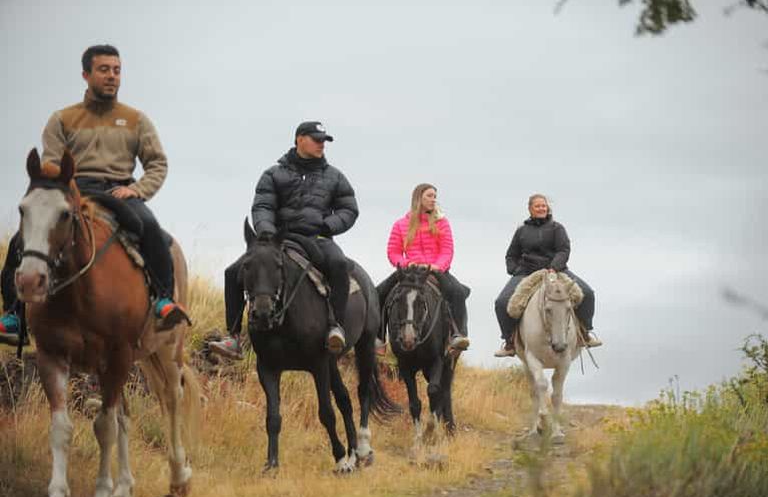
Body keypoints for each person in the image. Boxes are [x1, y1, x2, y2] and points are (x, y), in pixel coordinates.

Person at [0, 44, 189, 343]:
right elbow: (50, 163)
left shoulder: (136, 119)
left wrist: (137, 189)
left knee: (149, 227)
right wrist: (68, 191)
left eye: (116, 70)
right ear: (86, 74)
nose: (112, 76)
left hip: (119, 191)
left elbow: (157, 163)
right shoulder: (62, 118)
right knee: (20, 241)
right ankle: (13, 315)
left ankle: (164, 302)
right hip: (74, 189)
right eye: (104, 70)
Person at [210, 121, 358, 359]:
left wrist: (328, 225)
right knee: (232, 272)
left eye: (324, 141)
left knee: (339, 265)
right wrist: (267, 232)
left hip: (316, 237)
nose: (322, 145)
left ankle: (335, 327)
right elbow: (262, 206)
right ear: (300, 139)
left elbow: (349, 209)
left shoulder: (335, 177)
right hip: (277, 241)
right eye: (317, 139)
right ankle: (234, 338)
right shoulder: (273, 174)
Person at [494, 194, 602, 357]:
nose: (541, 208)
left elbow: (563, 250)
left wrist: (553, 267)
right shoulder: (521, 231)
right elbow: (511, 255)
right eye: (537, 206)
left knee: (587, 293)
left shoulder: (557, 228)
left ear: (547, 208)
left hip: (555, 270)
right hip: (527, 273)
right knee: (501, 302)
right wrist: (515, 270)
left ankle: (585, 333)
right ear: (530, 209)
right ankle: (509, 342)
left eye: (543, 206)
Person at [376, 183, 470, 352]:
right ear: (418, 198)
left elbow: (447, 250)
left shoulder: (442, 223)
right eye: (429, 196)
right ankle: (379, 338)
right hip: (409, 271)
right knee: (379, 292)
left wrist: (437, 266)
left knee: (456, 292)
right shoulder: (400, 224)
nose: (433, 200)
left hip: (435, 270)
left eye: (435, 196)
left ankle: (458, 335)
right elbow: (393, 251)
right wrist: (405, 263)